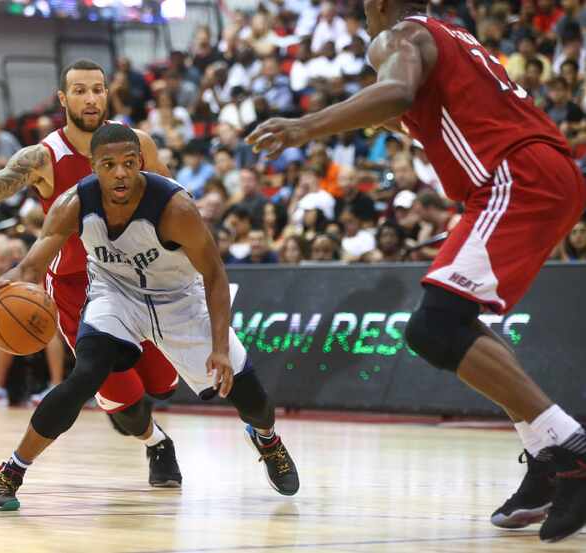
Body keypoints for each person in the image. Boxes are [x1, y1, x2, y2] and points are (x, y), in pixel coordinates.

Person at [247, 0, 586, 543]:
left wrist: (306, 125)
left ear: (378, 4)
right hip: (545, 173)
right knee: (459, 323)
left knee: (434, 328)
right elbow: (412, 111)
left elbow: (398, 91)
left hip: (514, 176)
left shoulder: (399, 36)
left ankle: (570, 446)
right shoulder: (450, 40)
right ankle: (548, 452)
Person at [0, 124, 299, 510]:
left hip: (180, 299)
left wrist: (219, 349)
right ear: (93, 167)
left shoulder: (175, 208)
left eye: (129, 163)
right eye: (109, 165)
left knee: (251, 398)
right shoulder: (73, 203)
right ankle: (11, 471)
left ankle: (267, 438)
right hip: (115, 294)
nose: (120, 173)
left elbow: (214, 275)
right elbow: (30, 267)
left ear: (141, 163)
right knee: (85, 376)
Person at [0, 59, 184, 489]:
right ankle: (155, 441)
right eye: (80, 90)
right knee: (127, 404)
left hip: (135, 280)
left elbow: (174, 202)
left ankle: (128, 410)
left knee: (162, 385)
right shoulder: (44, 156)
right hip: (77, 291)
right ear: (63, 98)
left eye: (98, 89)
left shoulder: (137, 143)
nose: (90, 98)